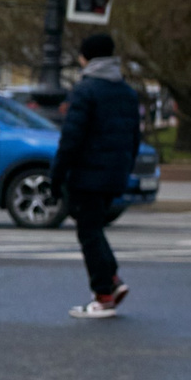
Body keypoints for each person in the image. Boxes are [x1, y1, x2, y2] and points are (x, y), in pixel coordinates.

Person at [56, 31, 142, 320]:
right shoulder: (126, 92)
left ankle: (103, 295)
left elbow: (71, 139)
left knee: (88, 232)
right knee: (94, 228)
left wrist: (57, 174)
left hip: (87, 174)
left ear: (86, 57)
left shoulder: (86, 90)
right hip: (114, 174)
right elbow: (134, 138)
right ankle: (113, 281)